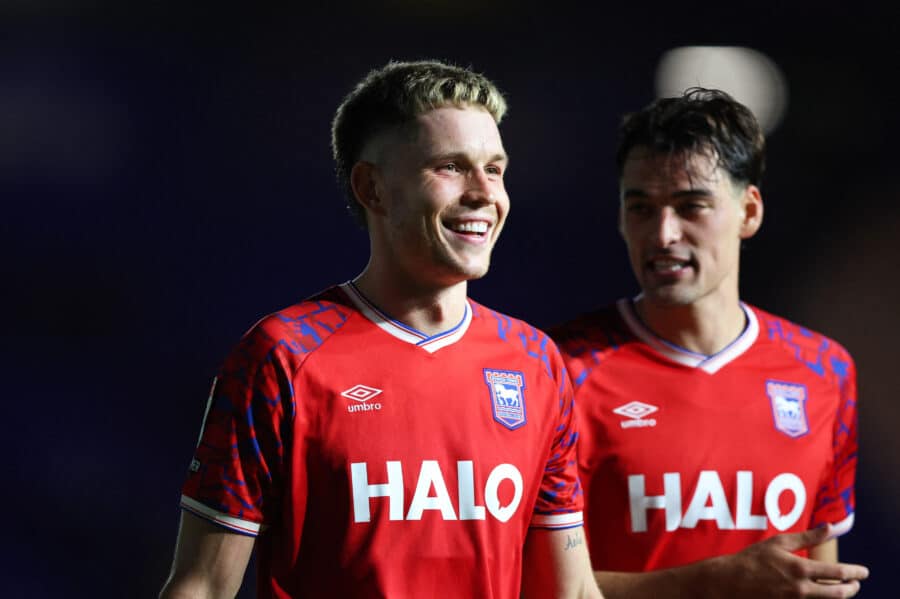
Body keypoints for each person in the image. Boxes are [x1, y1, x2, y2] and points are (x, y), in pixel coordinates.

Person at [159, 60, 602, 599]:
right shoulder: (282, 357)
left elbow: (571, 590)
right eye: (451, 167)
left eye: (496, 168)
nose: (485, 192)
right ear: (373, 188)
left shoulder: (535, 362)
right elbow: (202, 586)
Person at [550, 88, 870, 598]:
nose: (662, 233)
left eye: (691, 205)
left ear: (749, 211)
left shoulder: (825, 370)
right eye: (641, 208)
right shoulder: (560, 369)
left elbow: (821, 574)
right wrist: (714, 581)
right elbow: (536, 587)